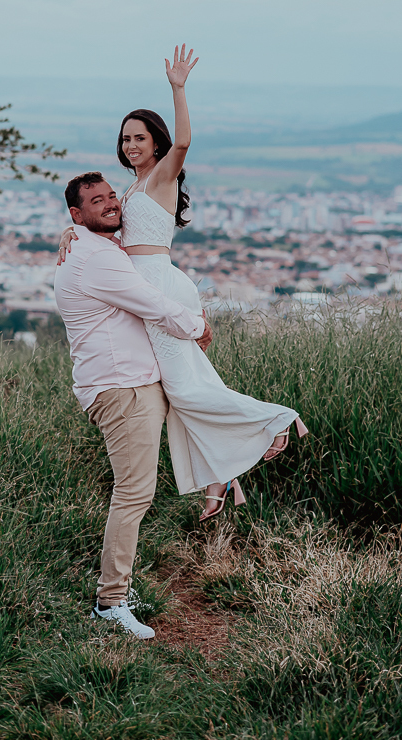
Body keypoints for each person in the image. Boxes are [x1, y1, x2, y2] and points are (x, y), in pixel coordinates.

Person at [58, 45, 308, 521]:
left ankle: (275, 419)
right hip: (153, 287)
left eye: (140, 138)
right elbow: (105, 223)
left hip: (158, 286)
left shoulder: (160, 178)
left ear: (156, 143)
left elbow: (186, 143)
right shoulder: (129, 188)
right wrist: (70, 230)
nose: (132, 145)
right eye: (126, 138)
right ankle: (221, 477)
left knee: (186, 390)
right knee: (183, 387)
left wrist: (178, 88)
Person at [54, 171, 212, 639]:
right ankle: (110, 602)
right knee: (133, 494)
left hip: (131, 384)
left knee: (136, 491)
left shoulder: (94, 245)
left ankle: (118, 590)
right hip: (122, 390)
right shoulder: (94, 259)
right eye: (95, 201)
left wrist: (71, 232)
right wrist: (197, 324)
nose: (108, 204)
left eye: (110, 196)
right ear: (76, 215)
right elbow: (151, 303)